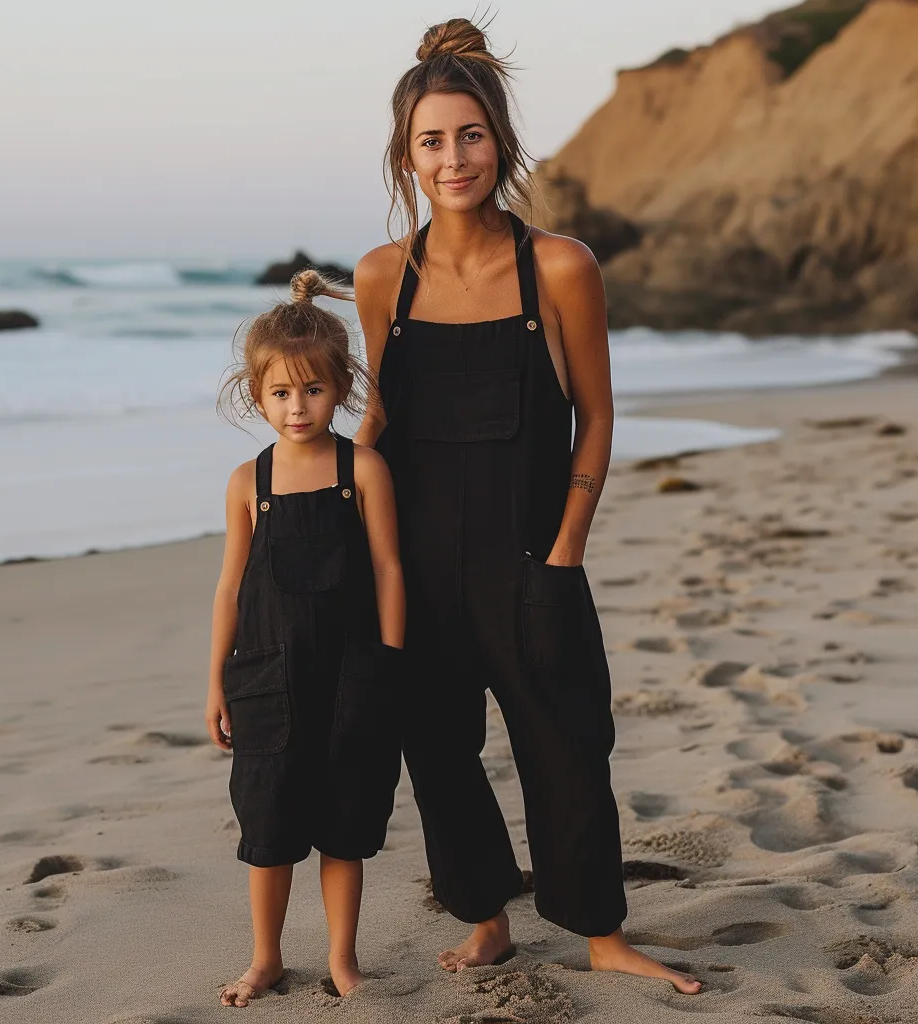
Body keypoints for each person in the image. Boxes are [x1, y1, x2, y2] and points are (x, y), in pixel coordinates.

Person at [353, 18, 701, 994]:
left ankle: (599, 932)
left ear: (498, 141)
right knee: (438, 750)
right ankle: (488, 920)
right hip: (417, 566)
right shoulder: (384, 278)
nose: (452, 157)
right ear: (405, 154)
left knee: (567, 739)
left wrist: (562, 551)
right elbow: (378, 424)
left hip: (528, 558)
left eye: (469, 135)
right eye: (431, 140)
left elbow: (594, 416)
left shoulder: (557, 266)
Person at [205, 270, 406, 1006]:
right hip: (265, 677)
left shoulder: (364, 468)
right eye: (281, 393)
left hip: (354, 674)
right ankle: (265, 958)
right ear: (256, 394)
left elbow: (388, 568)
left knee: (345, 823)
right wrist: (216, 683)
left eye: (314, 390)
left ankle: (344, 960)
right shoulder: (246, 483)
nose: (298, 407)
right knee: (269, 823)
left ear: (341, 387)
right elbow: (229, 587)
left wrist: (389, 660)